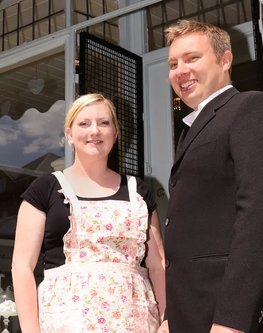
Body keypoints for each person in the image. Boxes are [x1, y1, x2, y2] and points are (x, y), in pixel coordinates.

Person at [157, 20, 263, 333]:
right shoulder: (190, 132)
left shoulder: (252, 108)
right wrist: (171, 316)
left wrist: (233, 321)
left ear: (225, 60)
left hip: (240, 321)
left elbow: (262, 216)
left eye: (192, 58)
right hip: (194, 317)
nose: (179, 70)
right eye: (173, 63)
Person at [12, 93, 166, 333]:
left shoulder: (138, 191)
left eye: (104, 123)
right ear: (70, 134)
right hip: (68, 322)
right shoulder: (45, 188)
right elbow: (21, 266)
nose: (94, 131)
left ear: (115, 134)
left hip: (136, 321)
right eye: (84, 124)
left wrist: (166, 321)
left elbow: (157, 264)